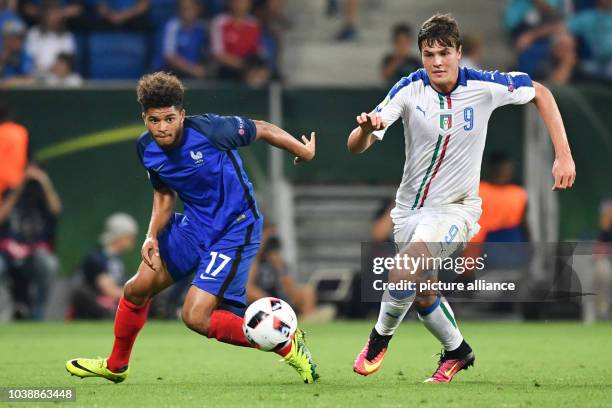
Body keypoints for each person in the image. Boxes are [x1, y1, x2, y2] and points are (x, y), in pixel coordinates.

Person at [347, 14, 575, 382]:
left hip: (457, 210)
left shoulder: (484, 85)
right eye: (428, 54)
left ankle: (378, 339)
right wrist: (364, 131)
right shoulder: (408, 88)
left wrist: (563, 154)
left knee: (403, 269)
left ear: (458, 53)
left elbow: (542, 93)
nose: (436, 62)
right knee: (422, 292)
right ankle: (458, 352)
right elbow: (356, 146)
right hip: (408, 212)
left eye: (444, 53)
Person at [65, 71, 319, 384]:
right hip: (193, 227)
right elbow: (164, 196)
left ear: (182, 115)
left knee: (195, 317)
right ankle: (116, 366)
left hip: (235, 229)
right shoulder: (146, 149)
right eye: (154, 120)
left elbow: (263, 129)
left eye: (169, 119)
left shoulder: (211, 130)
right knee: (135, 289)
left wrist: (301, 150)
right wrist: (151, 236)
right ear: (144, 118)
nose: (162, 128)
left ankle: (286, 343)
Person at [0, 163, 62, 319]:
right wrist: (20, 185)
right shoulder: (12, 192)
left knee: (49, 264)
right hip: (8, 252)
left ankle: (38, 315)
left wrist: (44, 182)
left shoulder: (43, 196)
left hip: (34, 255)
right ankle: (5, 313)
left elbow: (56, 210)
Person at [71, 213, 138, 319]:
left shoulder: (116, 259)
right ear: (120, 236)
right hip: (95, 304)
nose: (132, 242)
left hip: (113, 302)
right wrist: (139, 296)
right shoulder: (96, 257)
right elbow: (109, 290)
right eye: (130, 237)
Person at [210, 0, 262, 80]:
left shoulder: (254, 24)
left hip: (249, 69)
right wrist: (242, 65)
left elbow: (257, 51)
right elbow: (218, 54)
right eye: (236, 1)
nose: (239, 3)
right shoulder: (219, 22)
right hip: (226, 69)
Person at [162, 0, 209, 80]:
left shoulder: (202, 28)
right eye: (183, 8)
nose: (186, 12)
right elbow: (169, 57)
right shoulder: (173, 26)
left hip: (197, 75)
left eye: (190, 8)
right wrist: (192, 69)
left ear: (198, 9)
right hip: (174, 74)